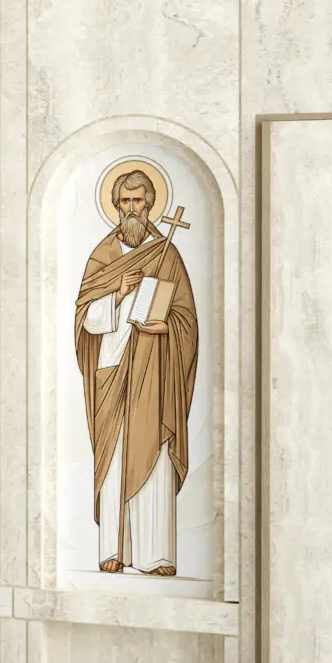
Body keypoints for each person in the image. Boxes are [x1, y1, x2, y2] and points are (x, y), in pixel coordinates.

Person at [74, 169, 199, 576]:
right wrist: (118, 293)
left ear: (149, 204)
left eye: (138, 201)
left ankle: (155, 554)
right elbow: (84, 320)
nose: (132, 209)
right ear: (116, 205)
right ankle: (113, 548)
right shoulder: (102, 255)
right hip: (111, 369)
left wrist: (166, 328)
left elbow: (187, 319)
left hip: (155, 371)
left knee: (154, 456)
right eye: (125, 202)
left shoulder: (168, 254)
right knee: (113, 458)